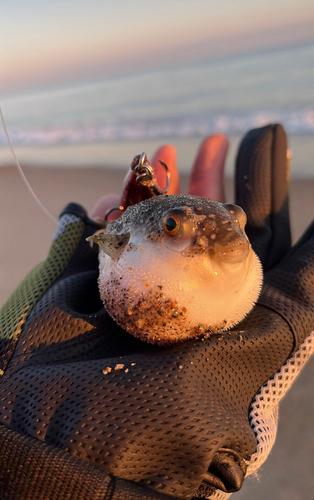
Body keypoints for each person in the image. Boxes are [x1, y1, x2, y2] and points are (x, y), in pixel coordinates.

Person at [0, 124, 313, 500]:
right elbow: (103, 240)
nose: (230, 233)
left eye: (237, 221)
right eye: (173, 226)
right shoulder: (119, 240)